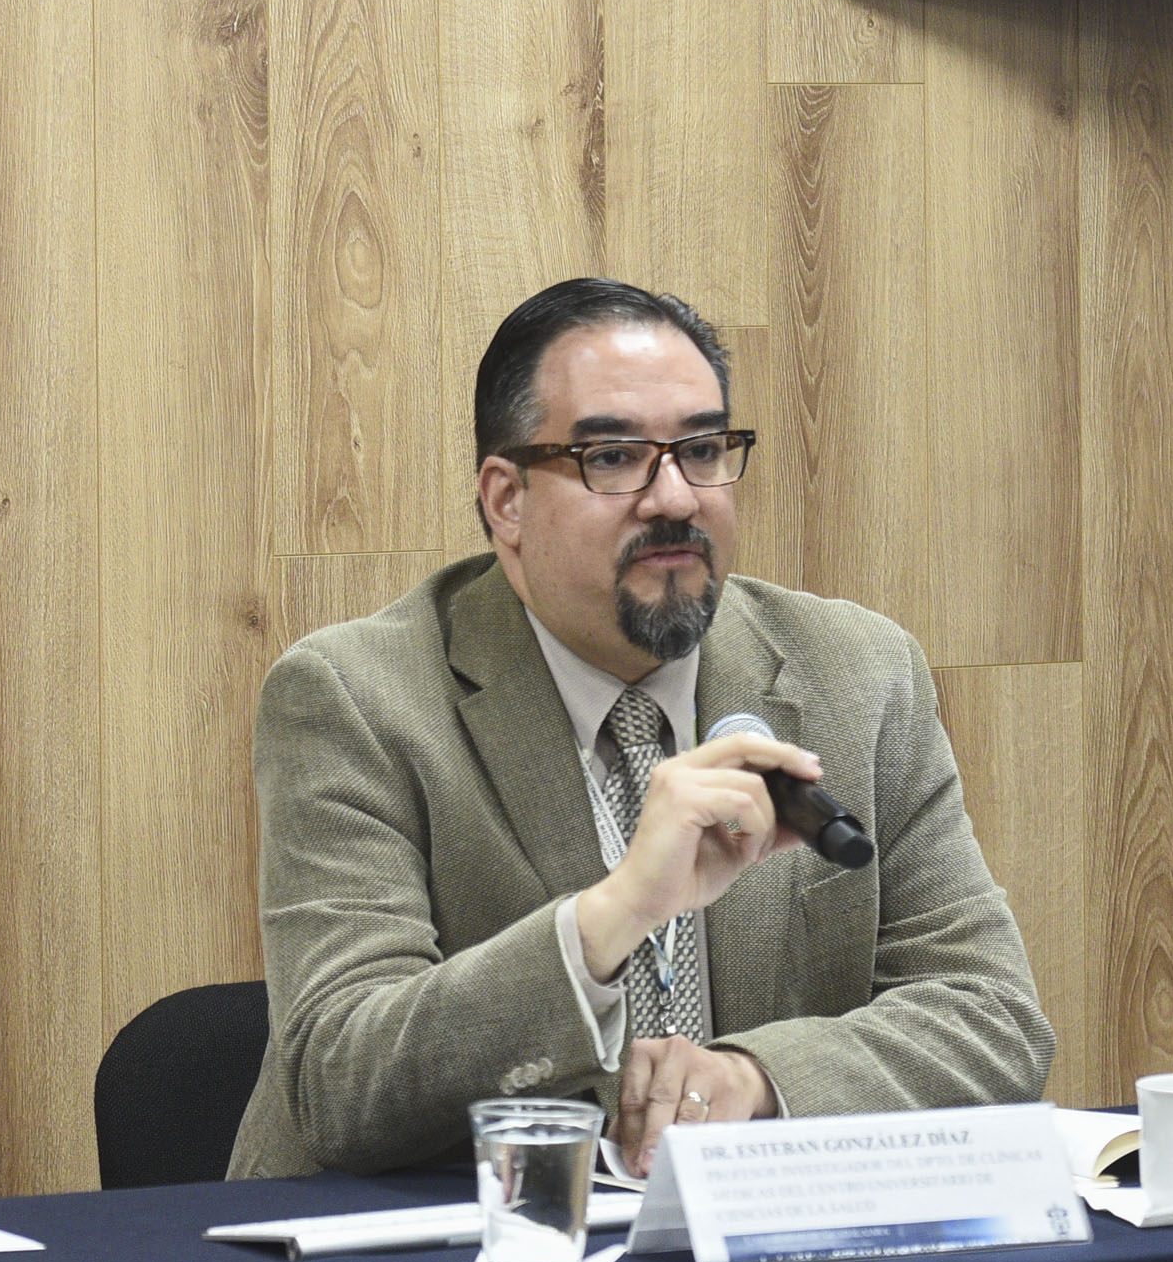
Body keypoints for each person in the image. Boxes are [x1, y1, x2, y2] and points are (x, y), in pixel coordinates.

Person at [230, 280, 1054, 1180]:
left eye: (702, 449)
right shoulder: (358, 698)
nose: (675, 498)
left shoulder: (858, 674)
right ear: (506, 501)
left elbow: (992, 1017)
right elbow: (342, 1079)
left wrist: (755, 1079)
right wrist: (614, 914)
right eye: (615, 458)